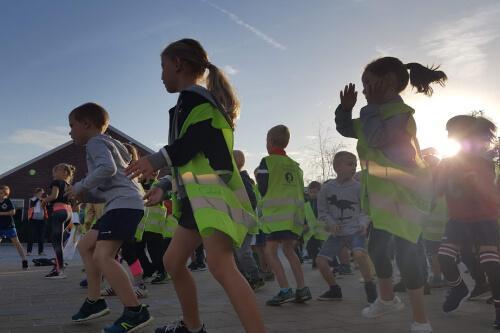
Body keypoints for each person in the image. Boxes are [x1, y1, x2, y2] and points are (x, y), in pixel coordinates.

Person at [125, 38, 265, 333]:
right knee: (173, 261)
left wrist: (158, 158)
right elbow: (191, 156)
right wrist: (164, 183)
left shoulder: (196, 100)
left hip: (211, 196)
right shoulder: (192, 102)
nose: (161, 75)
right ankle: (191, 327)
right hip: (197, 197)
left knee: (220, 265)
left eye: (163, 67)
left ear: (178, 64)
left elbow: (193, 142)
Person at [335, 56, 447, 333]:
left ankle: (421, 319)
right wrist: (345, 109)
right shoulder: (371, 112)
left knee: (408, 255)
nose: (363, 90)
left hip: (406, 196)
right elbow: (347, 129)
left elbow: (376, 139)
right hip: (384, 198)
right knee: (376, 250)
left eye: (368, 83)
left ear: (388, 82)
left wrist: (370, 108)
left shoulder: (399, 113)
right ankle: (387, 300)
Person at [67, 102, 152, 332]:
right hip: (121, 203)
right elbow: (111, 183)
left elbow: (107, 170)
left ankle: (135, 311)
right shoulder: (110, 143)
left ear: (87, 124)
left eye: (72, 125)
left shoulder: (95, 143)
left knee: (103, 256)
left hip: (124, 205)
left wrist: (80, 186)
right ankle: (95, 302)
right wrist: (85, 194)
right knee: (86, 246)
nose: (70, 131)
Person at [436, 114, 500, 329]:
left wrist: (476, 184)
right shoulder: (447, 162)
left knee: (490, 263)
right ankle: (458, 287)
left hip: (484, 219)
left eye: (451, 131)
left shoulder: (486, 163)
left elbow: (491, 193)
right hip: (457, 220)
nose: (448, 135)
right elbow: (436, 190)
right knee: (443, 258)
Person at [256, 124, 311, 306]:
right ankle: (302, 288)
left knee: (270, 251)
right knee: (289, 250)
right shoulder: (296, 166)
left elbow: (263, 188)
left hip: (275, 216)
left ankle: (284, 289)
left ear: (270, 142)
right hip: (294, 217)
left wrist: (257, 176)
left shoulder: (267, 162)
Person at [315, 151, 377, 303]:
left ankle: (370, 286)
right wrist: (330, 223)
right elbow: (322, 211)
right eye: (350, 164)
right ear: (336, 166)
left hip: (356, 231)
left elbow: (366, 210)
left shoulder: (359, 188)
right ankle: (334, 289)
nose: (354, 167)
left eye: (355, 164)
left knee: (359, 254)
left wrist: (363, 224)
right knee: (320, 261)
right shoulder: (326, 189)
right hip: (337, 234)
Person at [233, 149, 265, 290]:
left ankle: (256, 278)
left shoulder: (242, 179)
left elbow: (250, 201)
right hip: (239, 223)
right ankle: (244, 278)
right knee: (237, 252)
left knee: (243, 253)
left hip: (246, 223)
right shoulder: (236, 178)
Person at [42, 163, 76, 279]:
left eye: (56, 171)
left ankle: (60, 271)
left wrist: (44, 200)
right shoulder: (69, 185)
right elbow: (74, 202)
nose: (53, 173)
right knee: (59, 241)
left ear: (65, 173)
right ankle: (56, 268)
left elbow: (54, 196)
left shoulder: (56, 182)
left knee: (57, 242)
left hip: (59, 211)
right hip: (69, 213)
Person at [0, 185, 28, 269]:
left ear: (6, 194)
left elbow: (13, 212)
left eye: (1, 193)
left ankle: (24, 261)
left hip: (9, 226)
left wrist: (1, 213)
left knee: (16, 243)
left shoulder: (8, 201)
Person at [303, 181, 327, 268]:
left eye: (315, 192)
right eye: (311, 192)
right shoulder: (307, 203)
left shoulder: (322, 202)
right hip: (312, 231)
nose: (313, 194)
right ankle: (315, 260)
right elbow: (306, 215)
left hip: (322, 230)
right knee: (310, 246)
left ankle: (331, 262)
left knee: (324, 247)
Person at [27, 188, 48, 256]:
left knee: (41, 237)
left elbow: (47, 206)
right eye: (40, 193)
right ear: (36, 193)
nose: (41, 194)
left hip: (42, 220)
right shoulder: (32, 199)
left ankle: (41, 251)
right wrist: (38, 198)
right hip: (33, 220)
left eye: (42, 193)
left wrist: (45, 200)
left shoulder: (43, 200)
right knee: (31, 236)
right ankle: (29, 251)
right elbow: (32, 205)